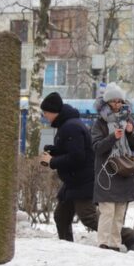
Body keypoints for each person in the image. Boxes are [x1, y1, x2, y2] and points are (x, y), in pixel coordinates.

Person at [90, 84, 134, 252]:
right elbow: (97, 147)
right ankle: (103, 243)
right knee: (107, 211)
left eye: (120, 101)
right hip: (107, 172)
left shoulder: (128, 120)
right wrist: (113, 137)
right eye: (114, 101)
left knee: (120, 211)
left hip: (125, 170)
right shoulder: (99, 122)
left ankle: (114, 243)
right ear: (107, 102)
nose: (117, 104)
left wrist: (129, 132)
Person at [40, 92, 99, 242]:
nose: (44, 115)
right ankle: (67, 246)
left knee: (90, 219)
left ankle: (128, 237)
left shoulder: (70, 127)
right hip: (73, 181)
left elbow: (77, 157)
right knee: (61, 216)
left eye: (46, 112)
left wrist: (52, 161)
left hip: (81, 181)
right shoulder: (67, 124)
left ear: (54, 111)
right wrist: (55, 150)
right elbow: (71, 150)